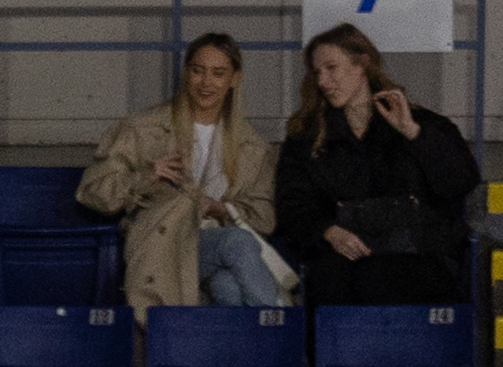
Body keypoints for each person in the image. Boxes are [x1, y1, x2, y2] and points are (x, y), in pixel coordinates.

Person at [80, 30, 290, 313]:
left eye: (218, 73)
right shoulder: (144, 128)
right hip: (162, 244)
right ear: (186, 73)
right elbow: (93, 192)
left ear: (234, 79)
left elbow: (263, 218)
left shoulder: (252, 145)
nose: (206, 83)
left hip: (212, 245)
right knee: (238, 243)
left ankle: (243, 351)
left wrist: (220, 209)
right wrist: (148, 176)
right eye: (197, 71)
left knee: (226, 285)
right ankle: (277, 332)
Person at [274, 22, 482, 307]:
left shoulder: (425, 125)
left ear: (362, 65)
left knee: (376, 278)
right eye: (317, 72)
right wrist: (328, 231)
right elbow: (293, 205)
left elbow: (460, 182)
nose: (323, 81)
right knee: (330, 278)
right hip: (342, 257)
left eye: (331, 68)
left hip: (420, 255)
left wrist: (413, 134)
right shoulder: (306, 141)